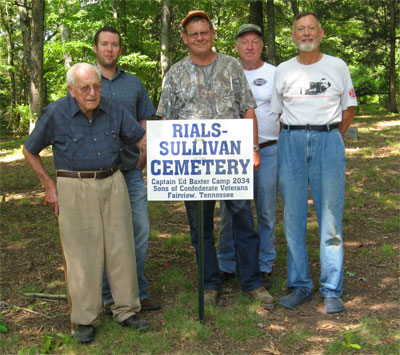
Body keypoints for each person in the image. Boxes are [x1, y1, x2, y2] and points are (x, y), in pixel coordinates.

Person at [23, 63, 150, 343]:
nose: (93, 93)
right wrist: (49, 186)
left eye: (96, 86)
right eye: (85, 88)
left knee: (122, 247)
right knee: (82, 254)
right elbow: (29, 150)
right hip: (74, 185)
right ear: (71, 90)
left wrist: (152, 154)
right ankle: (84, 319)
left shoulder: (113, 109)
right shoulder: (55, 113)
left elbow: (141, 137)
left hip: (113, 181)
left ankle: (126, 310)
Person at [156, 10, 274, 308]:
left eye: (204, 32)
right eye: (193, 34)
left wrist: (254, 148)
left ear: (212, 34)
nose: (199, 38)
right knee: (201, 227)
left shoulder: (232, 66)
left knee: (243, 221)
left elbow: (248, 109)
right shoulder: (175, 74)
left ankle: (252, 282)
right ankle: (209, 283)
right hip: (193, 166)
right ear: (184, 39)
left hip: (231, 161)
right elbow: (166, 120)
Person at [270, 12, 357, 314]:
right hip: (291, 142)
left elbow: (349, 109)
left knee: (330, 219)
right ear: (292, 36)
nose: (306, 34)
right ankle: (299, 285)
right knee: (292, 217)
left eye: (311, 29)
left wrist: (330, 137)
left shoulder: (337, 66)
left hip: (328, 141)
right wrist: (299, 136)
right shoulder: (283, 70)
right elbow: (279, 113)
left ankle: (331, 289)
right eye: (300, 30)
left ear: (320, 33)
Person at [93, 26, 161, 312]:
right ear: (95, 48)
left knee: (140, 230)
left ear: (120, 49)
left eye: (115, 45)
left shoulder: (133, 83)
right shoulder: (86, 81)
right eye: (104, 44)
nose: (110, 49)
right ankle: (110, 296)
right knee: (106, 235)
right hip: (98, 174)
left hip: (130, 171)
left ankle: (136, 289)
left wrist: (144, 154)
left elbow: (145, 119)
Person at [218, 24, 279, 285]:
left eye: (255, 41)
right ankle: (227, 263)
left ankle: (264, 262)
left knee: (265, 210)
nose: (250, 46)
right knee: (230, 212)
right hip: (232, 154)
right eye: (244, 42)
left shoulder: (276, 74)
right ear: (236, 47)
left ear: (262, 46)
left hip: (269, 150)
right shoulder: (225, 74)